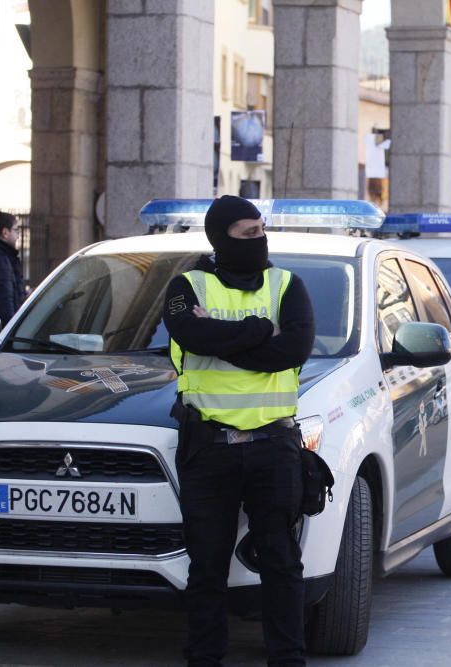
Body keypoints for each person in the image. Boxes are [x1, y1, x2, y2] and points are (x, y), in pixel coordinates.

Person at [163, 195, 315, 667]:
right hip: (209, 448)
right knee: (206, 568)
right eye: (248, 233)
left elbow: (292, 350)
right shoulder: (186, 287)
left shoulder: (288, 285)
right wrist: (257, 330)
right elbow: (191, 336)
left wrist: (228, 339)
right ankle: (205, 659)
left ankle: (287, 660)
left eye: (261, 230)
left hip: (274, 446)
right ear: (219, 237)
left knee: (282, 564)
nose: (260, 240)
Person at [0, 212, 26, 328]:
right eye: (16, 230)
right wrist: (12, 331)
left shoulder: (7, 257)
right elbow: (6, 300)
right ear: (5, 233)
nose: (18, 236)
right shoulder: (2, 259)